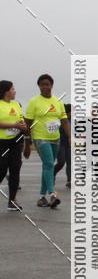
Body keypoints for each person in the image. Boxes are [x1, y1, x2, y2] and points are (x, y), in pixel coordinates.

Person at [24, 74, 70, 208]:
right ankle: (52, 194)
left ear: (52, 85)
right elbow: (28, 123)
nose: (45, 87)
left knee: (47, 166)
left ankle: (41, 197)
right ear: (39, 86)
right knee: (49, 163)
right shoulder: (34, 102)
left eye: (47, 84)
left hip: (55, 138)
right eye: (42, 84)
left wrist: (70, 136)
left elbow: (64, 121)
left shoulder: (58, 102)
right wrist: (27, 142)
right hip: (40, 138)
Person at [0, 80, 28, 211]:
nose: (14, 91)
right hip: (2, 143)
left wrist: (23, 125)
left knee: (15, 169)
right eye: (12, 89)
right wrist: (14, 125)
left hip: (16, 141)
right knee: (2, 170)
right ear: (6, 91)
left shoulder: (17, 104)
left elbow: (21, 120)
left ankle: (12, 200)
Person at [54, 103, 72, 188]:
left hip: (69, 144)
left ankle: (70, 180)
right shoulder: (59, 119)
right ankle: (52, 174)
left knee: (70, 162)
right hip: (60, 143)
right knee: (61, 162)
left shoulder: (73, 120)